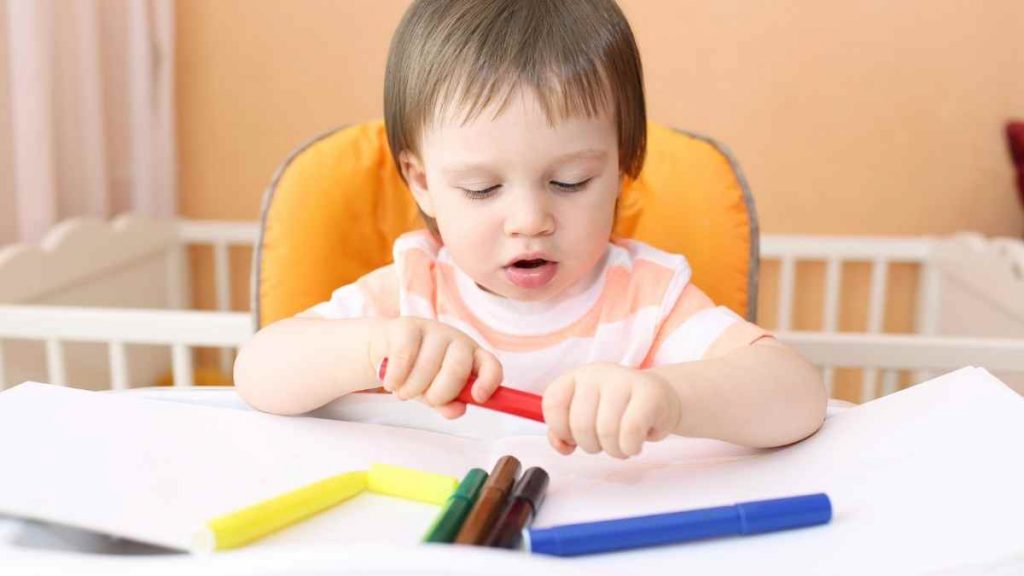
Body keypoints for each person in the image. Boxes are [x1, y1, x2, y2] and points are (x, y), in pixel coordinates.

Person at [234, 0, 826, 459]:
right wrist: (373, 351)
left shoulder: (646, 299)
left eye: (569, 181)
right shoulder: (411, 294)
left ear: (622, 167)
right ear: (420, 181)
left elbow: (797, 397)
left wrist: (670, 398)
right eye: (482, 189)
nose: (530, 222)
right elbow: (258, 371)